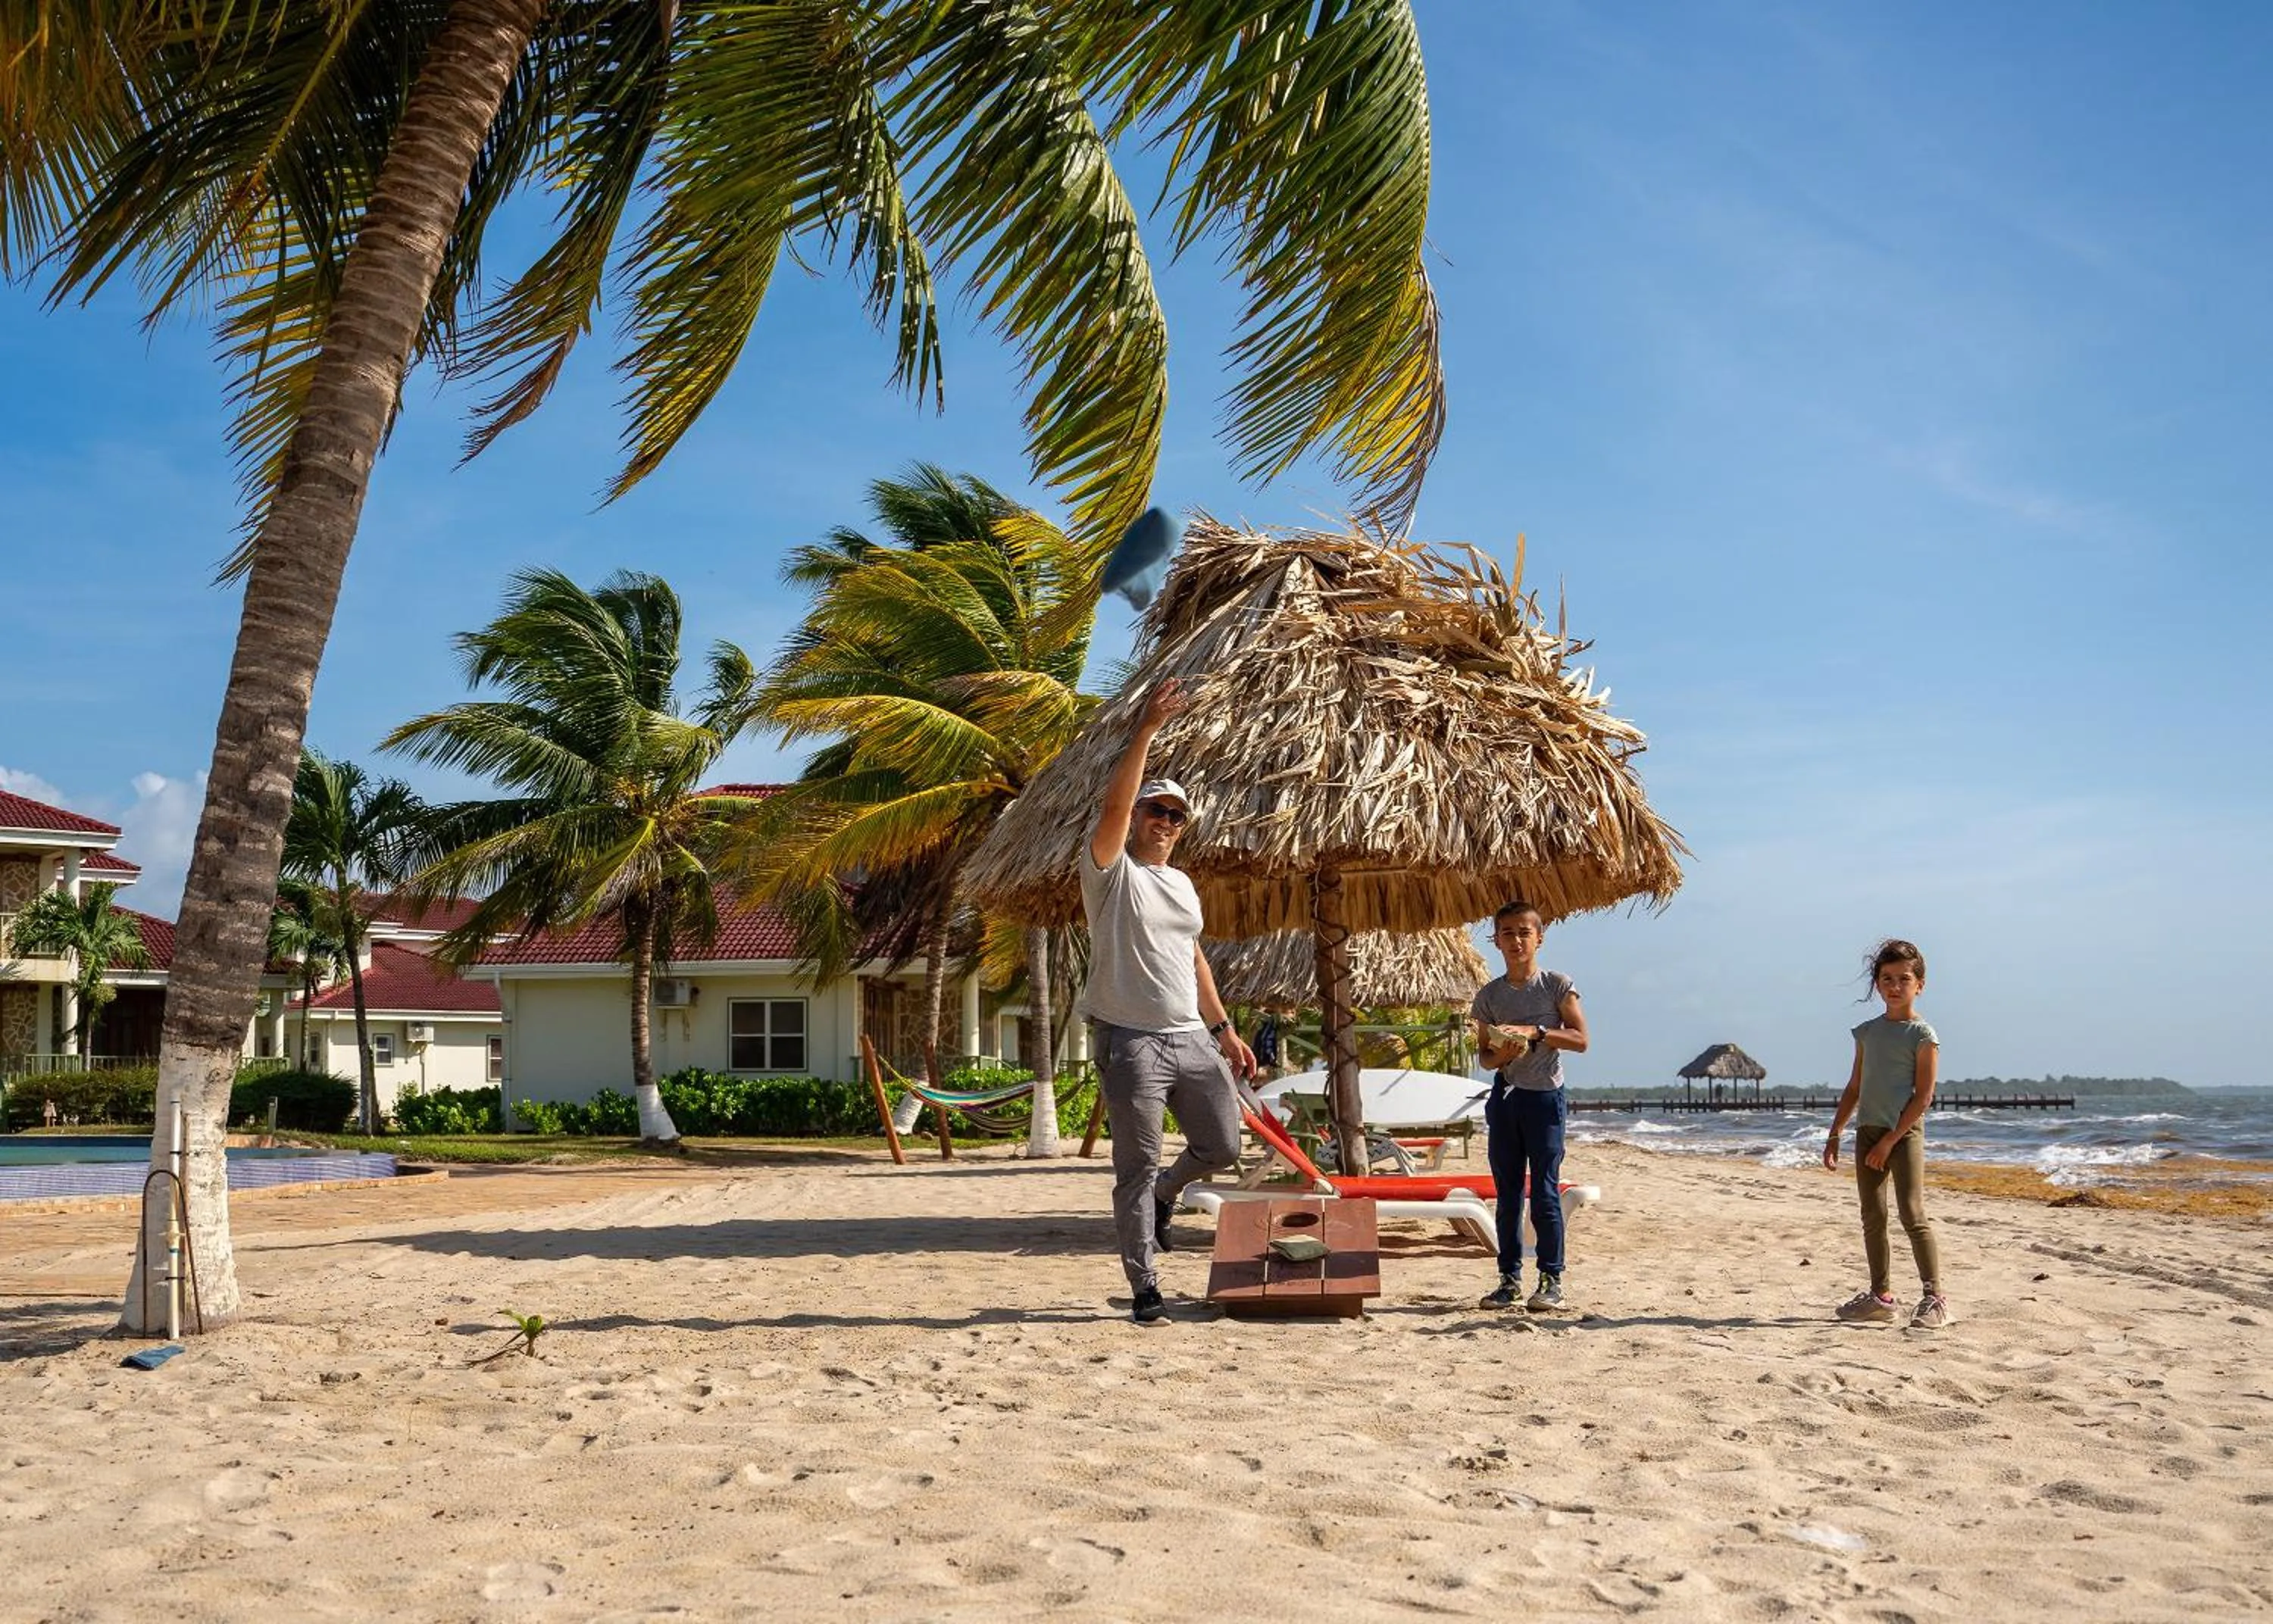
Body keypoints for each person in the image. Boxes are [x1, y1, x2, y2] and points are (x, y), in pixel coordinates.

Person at [1080, 679, 1257, 1325]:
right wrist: (1148, 729)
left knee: (1223, 1148)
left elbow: (1193, 957)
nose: (1165, 821)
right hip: (1130, 1039)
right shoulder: (1109, 871)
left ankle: (1168, 1191)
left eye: (1176, 816)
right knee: (1134, 1166)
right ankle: (1145, 1285)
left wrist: (1225, 1029)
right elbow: (1115, 808)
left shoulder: (1183, 885)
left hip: (1192, 1038)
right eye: (1157, 811)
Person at [1823, 938, 1948, 1329]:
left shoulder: (1922, 1035)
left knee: (1912, 1213)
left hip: (1903, 1134)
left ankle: (1935, 1297)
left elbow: (1923, 1096)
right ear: (1878, 985)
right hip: (1867, 1132)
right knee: (1872, 1215)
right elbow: (1856, 1086)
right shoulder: (1867, 1033)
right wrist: (1835, 1132)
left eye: (1904, 979)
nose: (1895, 986)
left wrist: (1891, 1140)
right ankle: (1881, 1296)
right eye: (1887, 979)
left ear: (1920, 984)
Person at [1470, 900, 1587, 1312]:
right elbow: (1485, 1057)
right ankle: (1508, 1280)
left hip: (1545, 1101)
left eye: (1525, 933)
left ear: (1539, 938)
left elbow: (1581, 1040)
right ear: (1496, 940)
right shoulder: (1488, 996)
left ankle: (1551, 1279)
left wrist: (1534, 1032)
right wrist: (1505, 1052)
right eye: (1508, 933)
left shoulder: (1556, 985)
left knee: (1544, 1192)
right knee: (1507, 1194)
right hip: (1505, 1100)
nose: (1517, 940)